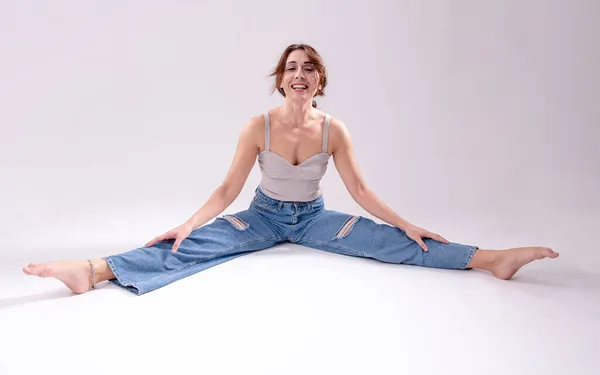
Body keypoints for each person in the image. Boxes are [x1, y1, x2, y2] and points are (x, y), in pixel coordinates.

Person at [22, 43, 559, 295]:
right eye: (291, 68)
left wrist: (406, 222)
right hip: (262, 217)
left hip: (313, 218)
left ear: (320, 79)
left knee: (396, 244)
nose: (300, 75)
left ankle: (490, 259)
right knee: (190, 245)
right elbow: (228, 186)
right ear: (280, 79)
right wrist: (188, 222)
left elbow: (361, 190)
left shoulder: (335, 130)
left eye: (310, 68)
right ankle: (92, 271)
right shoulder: (257, 125)